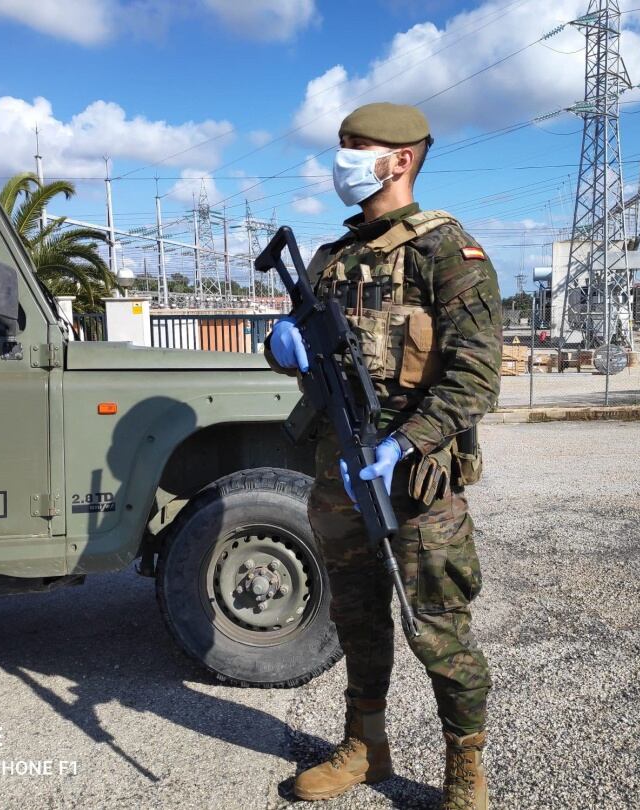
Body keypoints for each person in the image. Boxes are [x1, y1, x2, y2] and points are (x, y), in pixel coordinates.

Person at [264, 102, 502, 810]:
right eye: (341, 145)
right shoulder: (331, 259)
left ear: (400, 160)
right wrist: (284, 349)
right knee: (356, 618)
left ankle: (466, 767)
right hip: (341, 475)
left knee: (439, 630)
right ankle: (366, 747)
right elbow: (321, 364)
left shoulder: (447, 253)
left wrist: (405, 442)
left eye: (355, 146)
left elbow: (476, 377)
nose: (342, 159)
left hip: (417, 481)